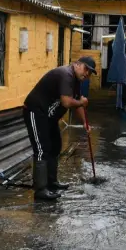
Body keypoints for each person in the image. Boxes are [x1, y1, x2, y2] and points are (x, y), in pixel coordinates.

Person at [23, 56, 97, 201]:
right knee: (41, 149)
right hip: (35, 111)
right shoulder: (66, 74)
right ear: (76, 64)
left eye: (90, 72)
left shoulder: (76, 80)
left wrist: (84, 123)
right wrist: (81, 102)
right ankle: (40, 190)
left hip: (48, 117)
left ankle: (52, 182)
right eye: (86, 69)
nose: (87, 74)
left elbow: (78, 103)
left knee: (55, 146)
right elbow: (67, 102)